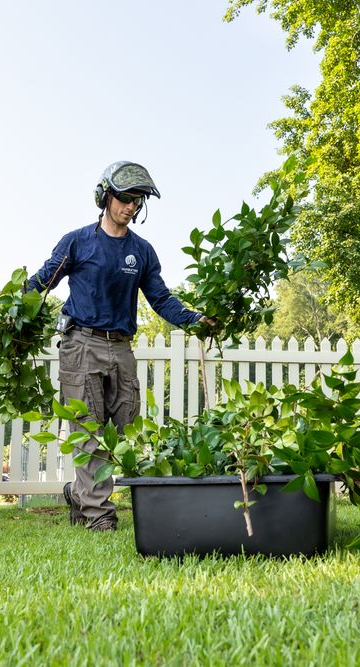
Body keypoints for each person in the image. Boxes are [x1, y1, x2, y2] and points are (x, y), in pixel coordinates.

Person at [27, 161, 215, 532]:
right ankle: (98, 514)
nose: (131, 207)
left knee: (126, 427)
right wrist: (13, 309)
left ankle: (78, 493)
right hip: (81, 344)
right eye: (125, 199)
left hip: (121, 347)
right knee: (88, 431)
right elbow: (42, 282)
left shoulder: (141, 251)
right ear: (105, 197)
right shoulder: (77, 242)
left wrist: (195, 320)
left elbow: (160, 298)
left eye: (138, 201)